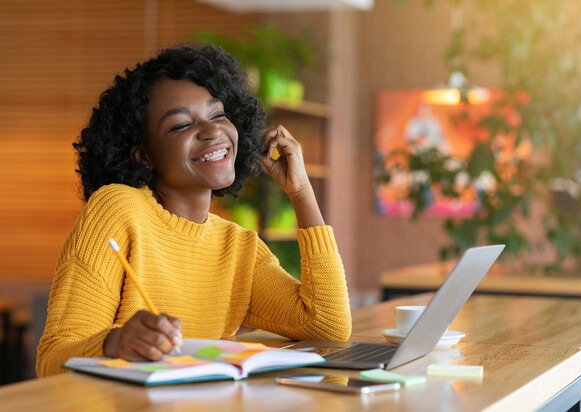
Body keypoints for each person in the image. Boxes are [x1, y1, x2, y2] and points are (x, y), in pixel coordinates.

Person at [36, 44, 352, 377]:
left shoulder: (237, 246)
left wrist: (300, 191)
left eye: (217, 114)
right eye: (181, 125)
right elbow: (52, 361)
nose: (212, 130)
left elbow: (326, 325)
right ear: (143, 154)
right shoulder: (118, 209)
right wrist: (113, 344)